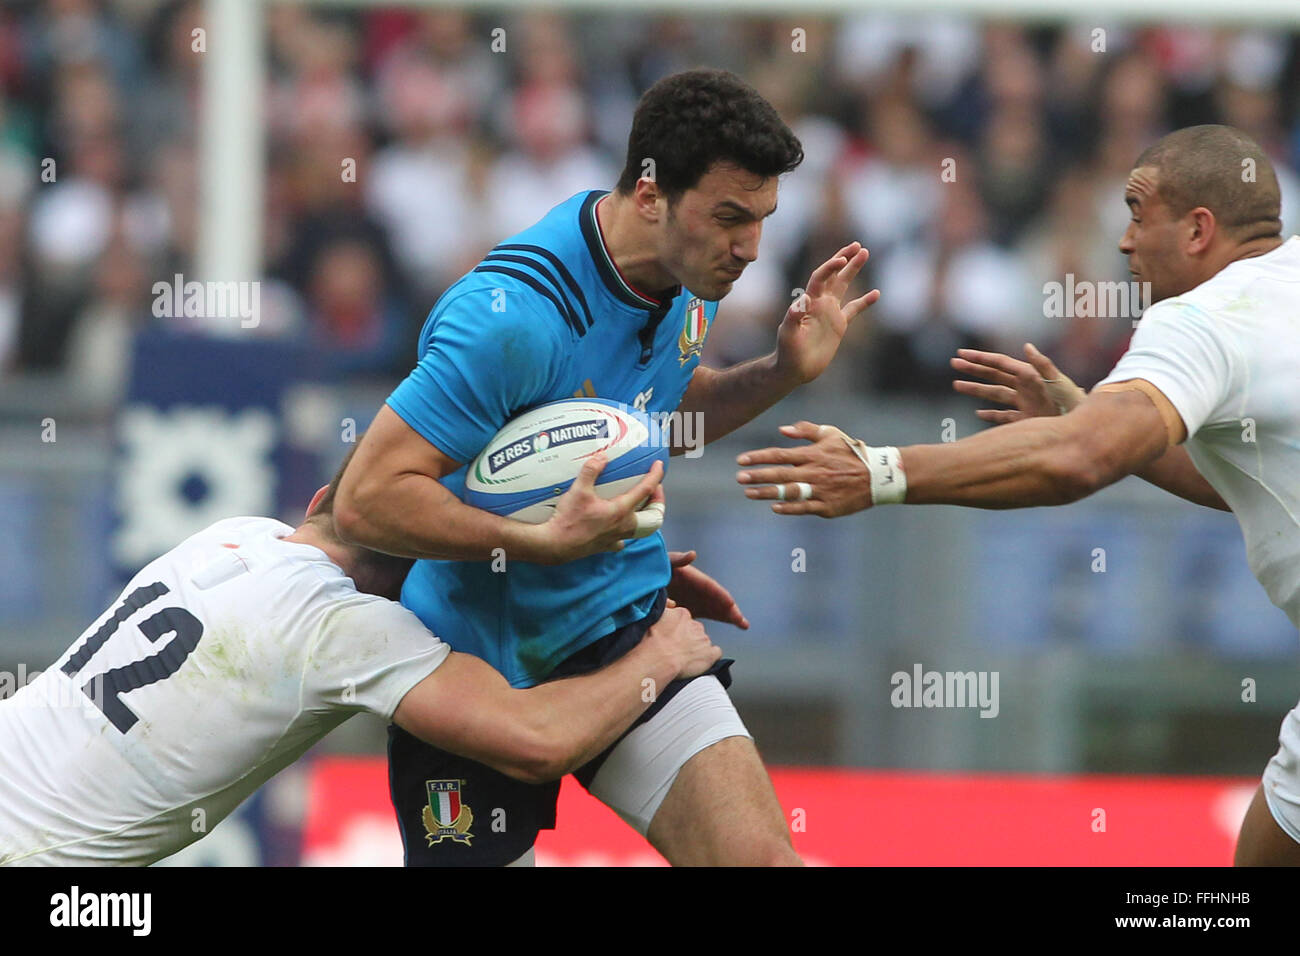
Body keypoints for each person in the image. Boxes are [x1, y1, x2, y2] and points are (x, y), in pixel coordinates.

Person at [334, 68, 878, 866]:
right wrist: (546, 545)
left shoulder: (691, 280)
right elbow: (366, 502)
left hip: (621, 631)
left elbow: (651, 421)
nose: (750, 250)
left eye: (762, 220)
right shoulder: (513, 322)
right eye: (730, 218)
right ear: (652, 195)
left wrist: (781, 372)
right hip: (470, 666)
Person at [733, 123, 1300, 865]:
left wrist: (880, 471)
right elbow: (1252, 483)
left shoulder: (1202, 320)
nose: (1123, 242)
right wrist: (1087, 417)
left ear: (1198, 229)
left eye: (1136, 212)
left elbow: (1074, 463)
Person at [0, 457, 724, 866]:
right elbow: (536, 742)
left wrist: (611, 581)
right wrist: (657, 653)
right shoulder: (345, 627)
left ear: (317, 499)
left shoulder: (238, 533)